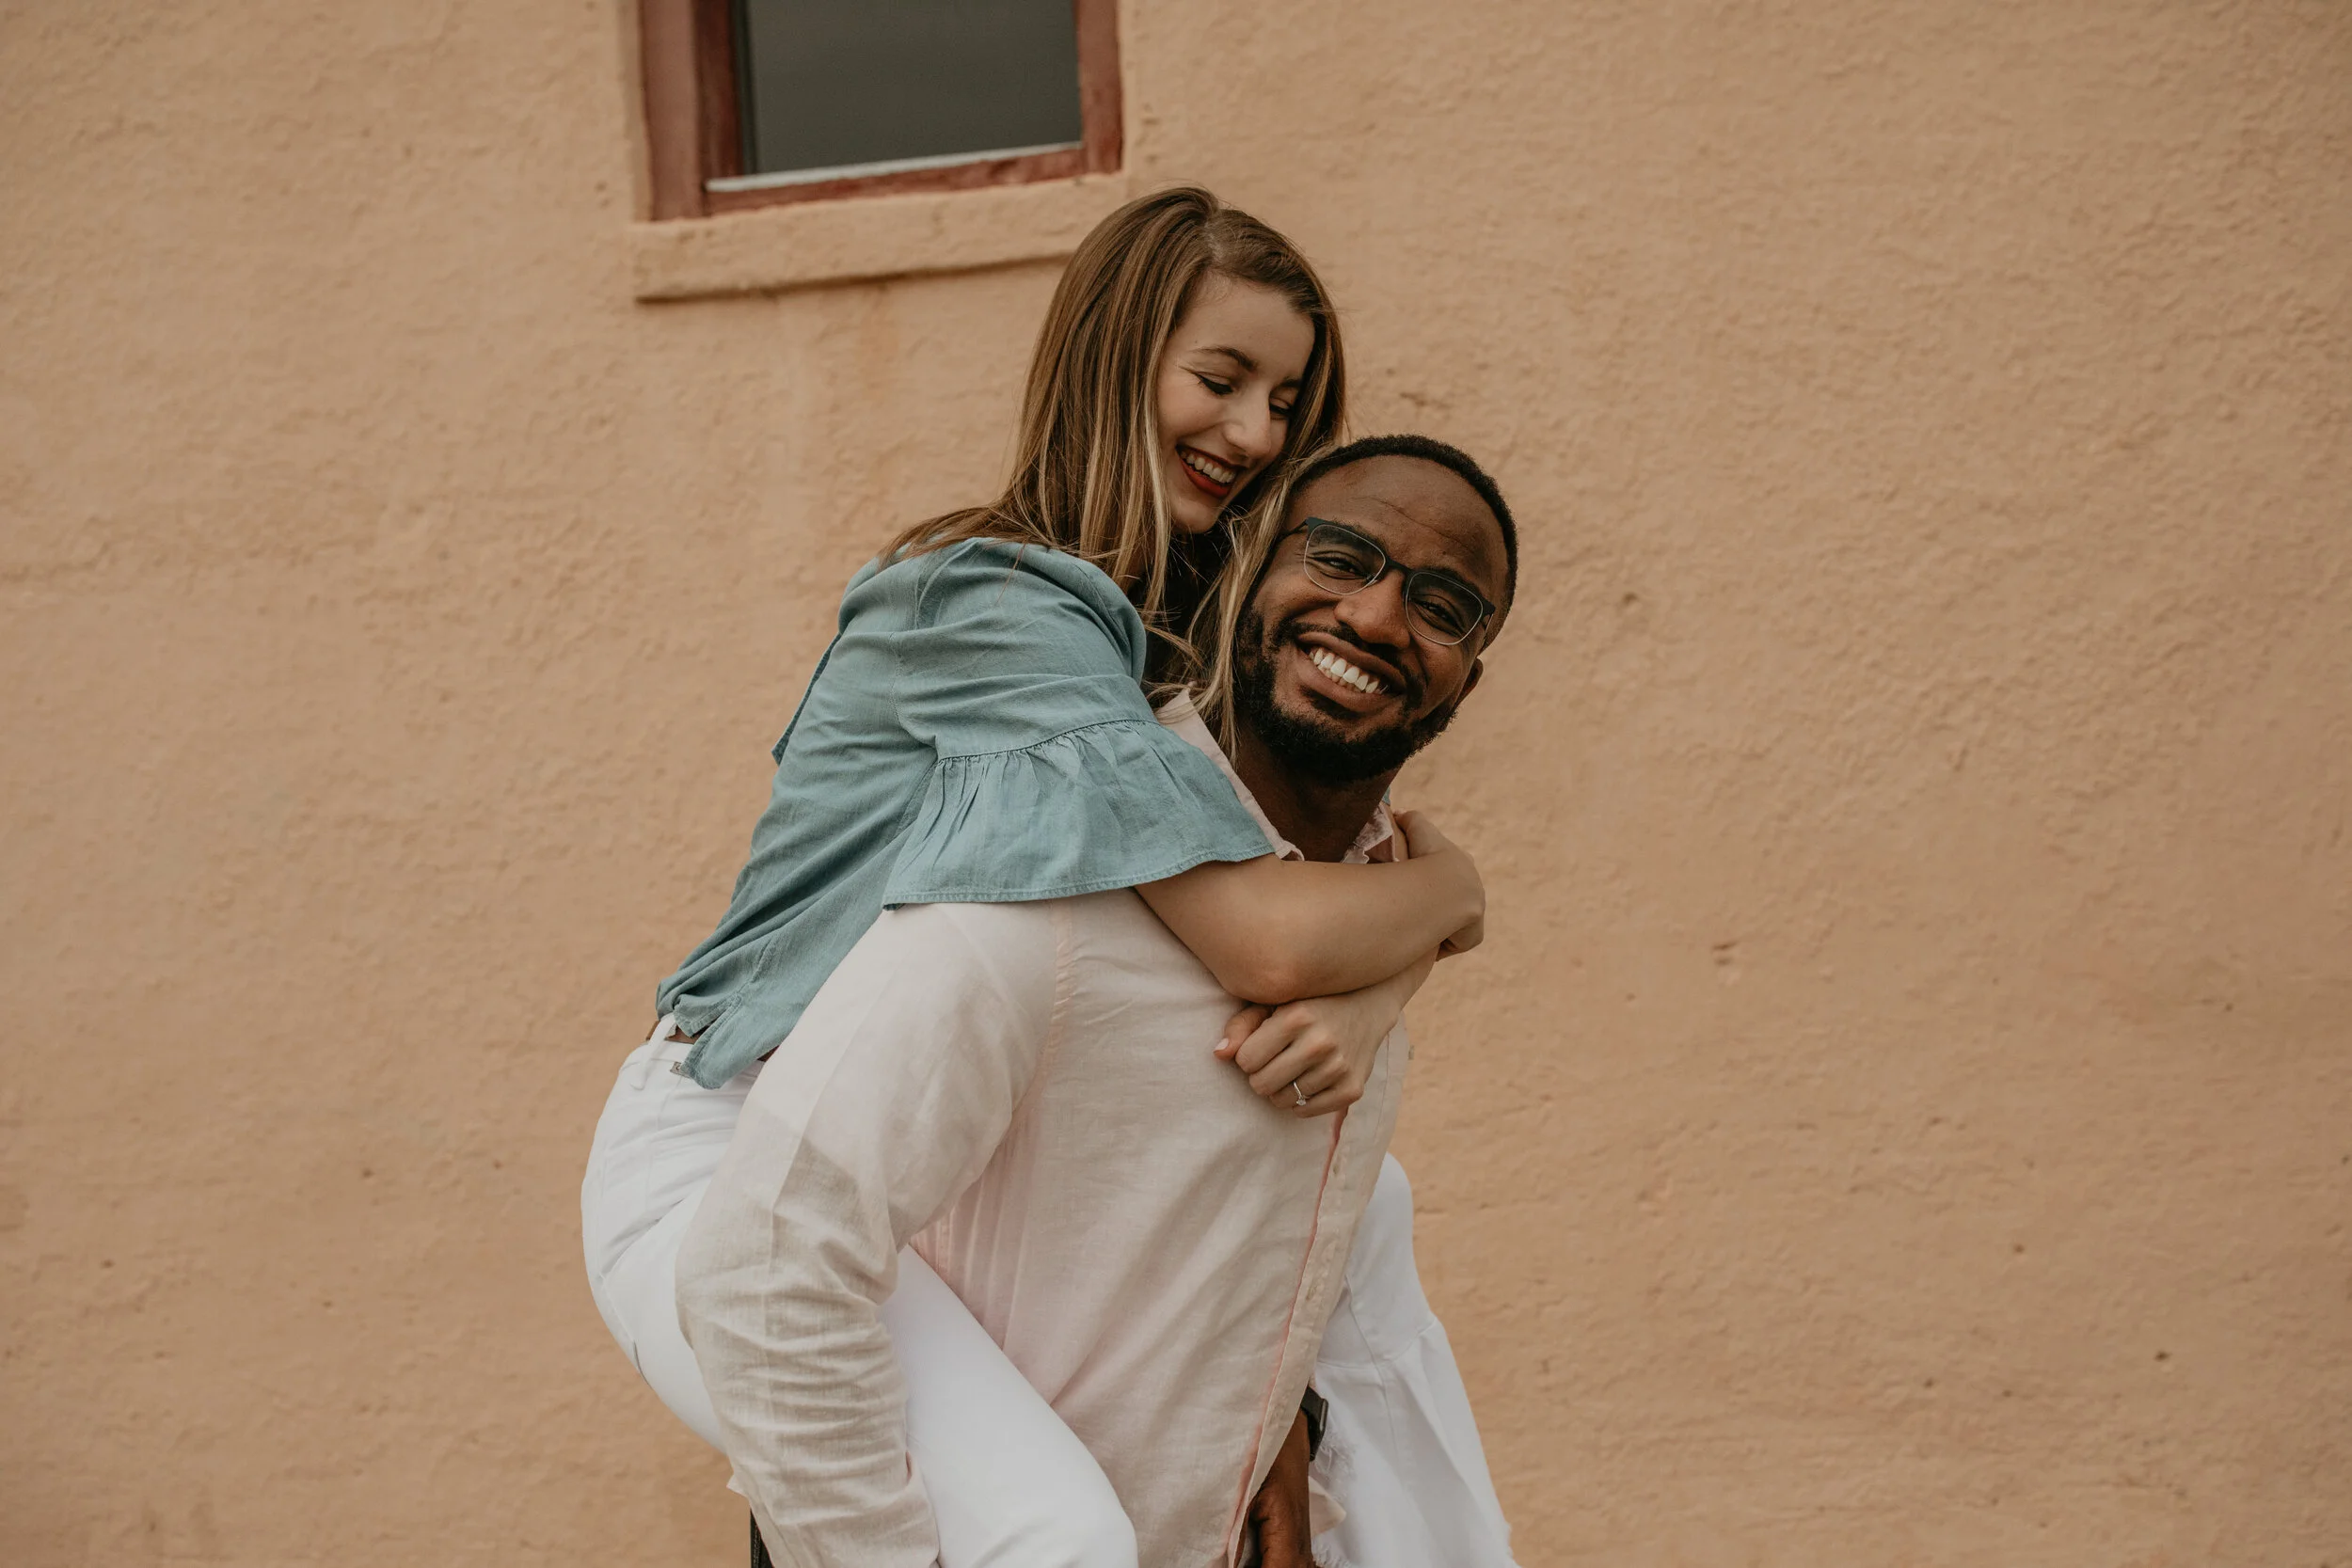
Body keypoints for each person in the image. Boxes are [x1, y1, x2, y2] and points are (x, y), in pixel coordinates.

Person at [581, 189, 1485, 1565]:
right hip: (723, 1136)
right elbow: (1262, 938)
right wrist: (1452, 897)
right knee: (1048, 1532)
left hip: (918, 1158)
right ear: (1118, 359)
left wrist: (1378, 995)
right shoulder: (985, 604)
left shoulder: (1163, 644)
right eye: (1220, 377)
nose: (1251, 433)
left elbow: (1273, 932)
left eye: (1286, 403)